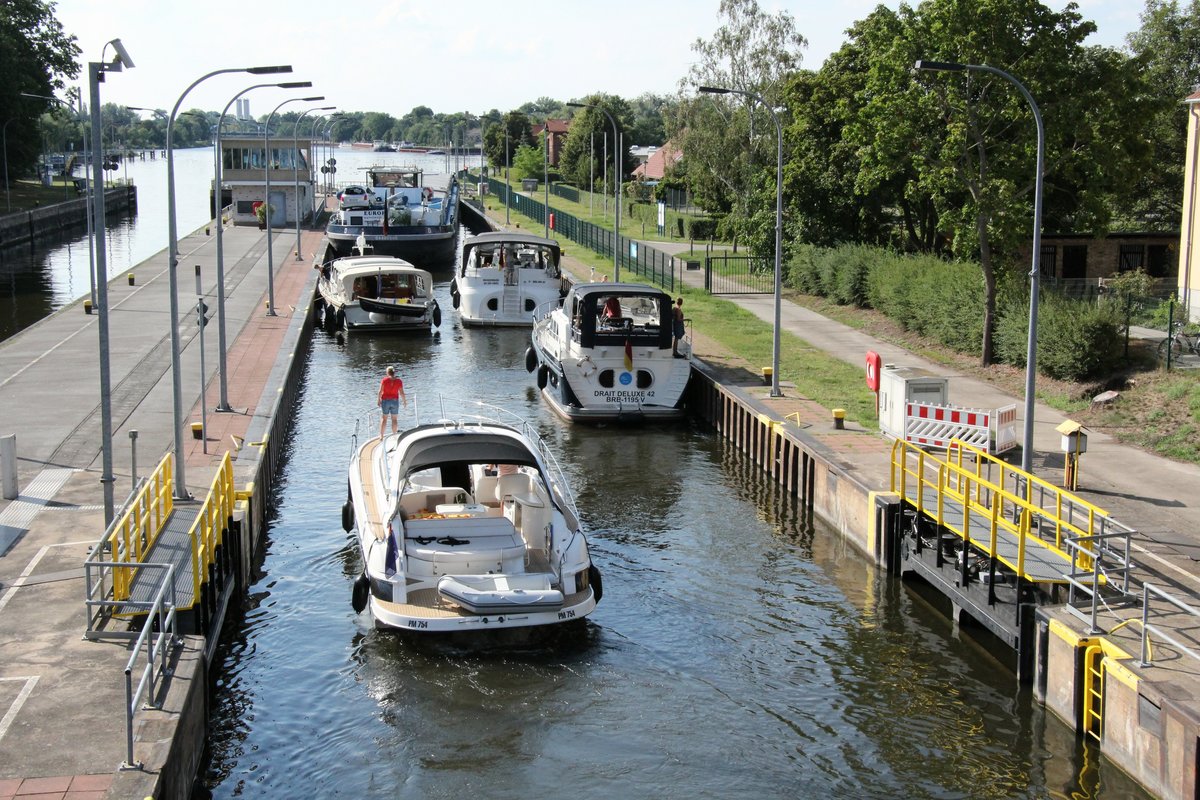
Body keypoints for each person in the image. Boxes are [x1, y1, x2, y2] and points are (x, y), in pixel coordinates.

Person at [377, 365, 407, 438]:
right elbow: (402, 393)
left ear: (387, 373)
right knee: (394, 419)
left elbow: (380, 391)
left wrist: (378, 400)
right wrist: (404, 401)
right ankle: (394, 435)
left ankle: (381, 436)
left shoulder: (384, 380)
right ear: (394, 373)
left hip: (385, 401)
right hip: (394, 401)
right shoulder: (399, 381)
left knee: (384, 419)